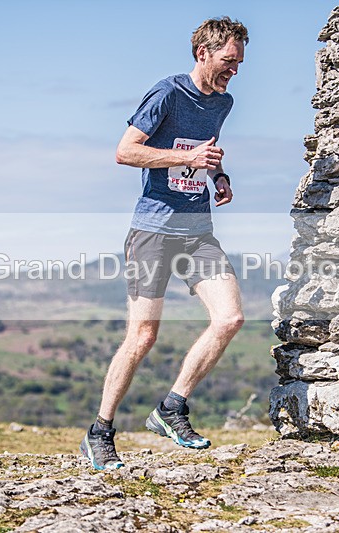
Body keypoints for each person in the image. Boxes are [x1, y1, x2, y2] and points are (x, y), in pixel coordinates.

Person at [79, 17, 248, 470]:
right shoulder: (167, 93)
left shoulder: (223, 102)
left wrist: (218, 174)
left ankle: (172, 407)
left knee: (230, 318)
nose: (234, 70)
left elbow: (205, 151)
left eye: (239, 63)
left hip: (197, 231)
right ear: (203, 53)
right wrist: (186, 156)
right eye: (228, 61)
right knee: (142, 336)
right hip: (153, 231)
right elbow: (125, 151)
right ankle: (100, 432)